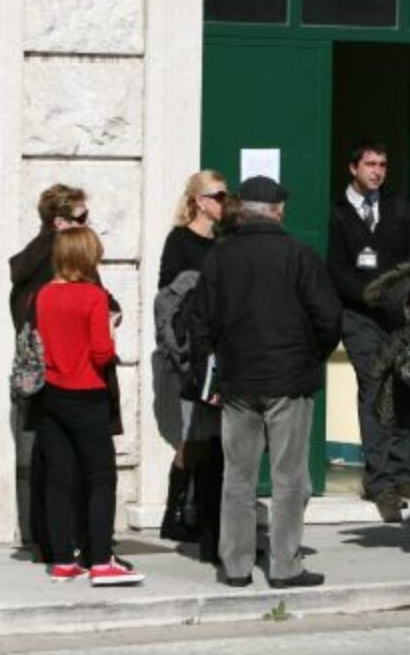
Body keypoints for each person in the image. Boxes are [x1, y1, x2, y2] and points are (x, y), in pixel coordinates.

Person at [193, 176, 342, 588]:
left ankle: (236, 566)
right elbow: (329, 319)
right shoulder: (299, 255)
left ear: (242, 210)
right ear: (278, 211)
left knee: (237, 477)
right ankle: (285, 565)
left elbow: (200, 321)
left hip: (238, 380)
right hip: (288, 380)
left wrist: (212, 372)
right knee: (289, 478)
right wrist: (311, 357)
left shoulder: (221, 257)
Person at [34, 227, 142, 586]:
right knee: (101, 478)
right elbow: (101, 353)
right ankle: (100, 559)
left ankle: (63, 560)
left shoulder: (44, 294)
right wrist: (110, 328)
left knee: (58, 479)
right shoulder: (93, 296)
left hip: (51, 394)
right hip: (87, 393)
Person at [327, 141, 410, 520]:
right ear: (353, 167)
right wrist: (373, 295)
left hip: (399, 317)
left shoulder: (399, 207)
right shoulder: (337, 214)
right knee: (373, 389)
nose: (378, 171)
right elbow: (336, 271)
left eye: (383, 164)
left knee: (401, 388)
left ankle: (399, 474)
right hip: (358, 317)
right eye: (370, 164)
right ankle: (379, 481)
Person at [157, 170, 229, 558]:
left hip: (220, 349)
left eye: (226, 196)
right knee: (194, 435)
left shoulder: (226, 241)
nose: (224, 202)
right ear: (199, 201)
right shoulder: (180, 240)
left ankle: (201, 513)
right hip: (190, 352)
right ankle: (176, 512)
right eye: (218, 196)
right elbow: (168, 299)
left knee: (211, 436)